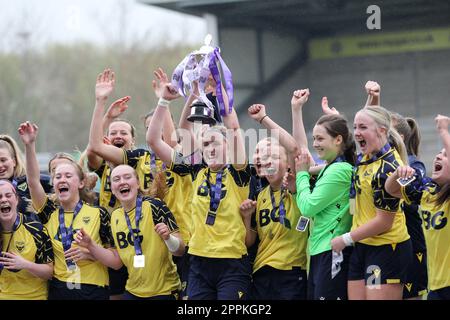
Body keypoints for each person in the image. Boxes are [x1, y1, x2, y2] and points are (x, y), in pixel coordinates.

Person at [148, 79, 252, 300]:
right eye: (205, 144)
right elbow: (154, 141)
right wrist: (164, 101)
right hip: (198, 262)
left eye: (215, 142)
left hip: (231, 262)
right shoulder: (195, 171)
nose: (210, 148)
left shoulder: (238, 172)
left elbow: (232, 126)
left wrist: (219, 78)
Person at [19, 121, 113, 300]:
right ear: (53, 184)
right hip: (60, 288)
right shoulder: (48, 212)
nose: (62, 179)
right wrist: (29, 145)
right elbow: (33, 182)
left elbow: (116, 262)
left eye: (68, 176)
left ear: (81, 183)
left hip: (93, 289)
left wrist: (91, 251)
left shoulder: (98, 213)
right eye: (57, 177)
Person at [331, 105, 412, 300]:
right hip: (362, 246)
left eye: (363, 128)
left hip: (386, 248)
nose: (357, 133)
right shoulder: (366, 158)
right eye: (355, 127)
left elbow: (384, 222)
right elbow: (373, 115)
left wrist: (345, 239)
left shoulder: (389, 168)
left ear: (382, 131)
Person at [74, 164, 185, 300]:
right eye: (116, 179)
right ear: (113, 189)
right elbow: (116, 262)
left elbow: (180, 250)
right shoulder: (114, 216)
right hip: (132, 292)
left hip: (164, 291)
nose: (122, 182)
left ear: (137, 183)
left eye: (127, 177)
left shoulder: (155, 206)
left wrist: (168, 238)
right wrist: (90, 245)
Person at [290, 89, 355, 300]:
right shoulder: (330, 166)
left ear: (338, 140)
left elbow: (307, 207)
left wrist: (301, 176)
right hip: (319, 252)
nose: (315, 143)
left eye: (320, 139)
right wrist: (296, 110)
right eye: (314, 138)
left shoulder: (339, 170)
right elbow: (300, 151)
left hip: (332, 252)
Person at [239, 103, 308, 300]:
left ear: (288, 162)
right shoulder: (259, 197)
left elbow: (296, 149)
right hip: (261, 273)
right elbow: (249, 242)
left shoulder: (297, 185)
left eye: (270, 156)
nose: (263, 160)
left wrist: (263, 119)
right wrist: (246, 217)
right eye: (259, 158)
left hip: (291, 272)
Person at [385, 115, 450, 300]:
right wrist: (397, 174)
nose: (439, 155)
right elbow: (391, 190)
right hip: (436, 286)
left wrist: (444, 131)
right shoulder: (428, 193)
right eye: (439, 153)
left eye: (445, 155)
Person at [390, 112, 428, 299]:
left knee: (410, 295)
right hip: (388, 243)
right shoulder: (381, 164)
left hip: (412, 242)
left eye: (385, 130)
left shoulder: (414, 163)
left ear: (400, 137)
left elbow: (410, 194)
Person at [0, 179, 54, 300]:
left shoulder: (36, 230)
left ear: (16, 199)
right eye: (0, 196)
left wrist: (25, 264)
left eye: (8, 195)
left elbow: (49, 273)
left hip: (34, 296)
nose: (3, 200)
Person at [0, 135, 52, 217]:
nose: (0, 165)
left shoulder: (29, 182)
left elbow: (58, 184)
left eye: (3, 160)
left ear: (14, 161)